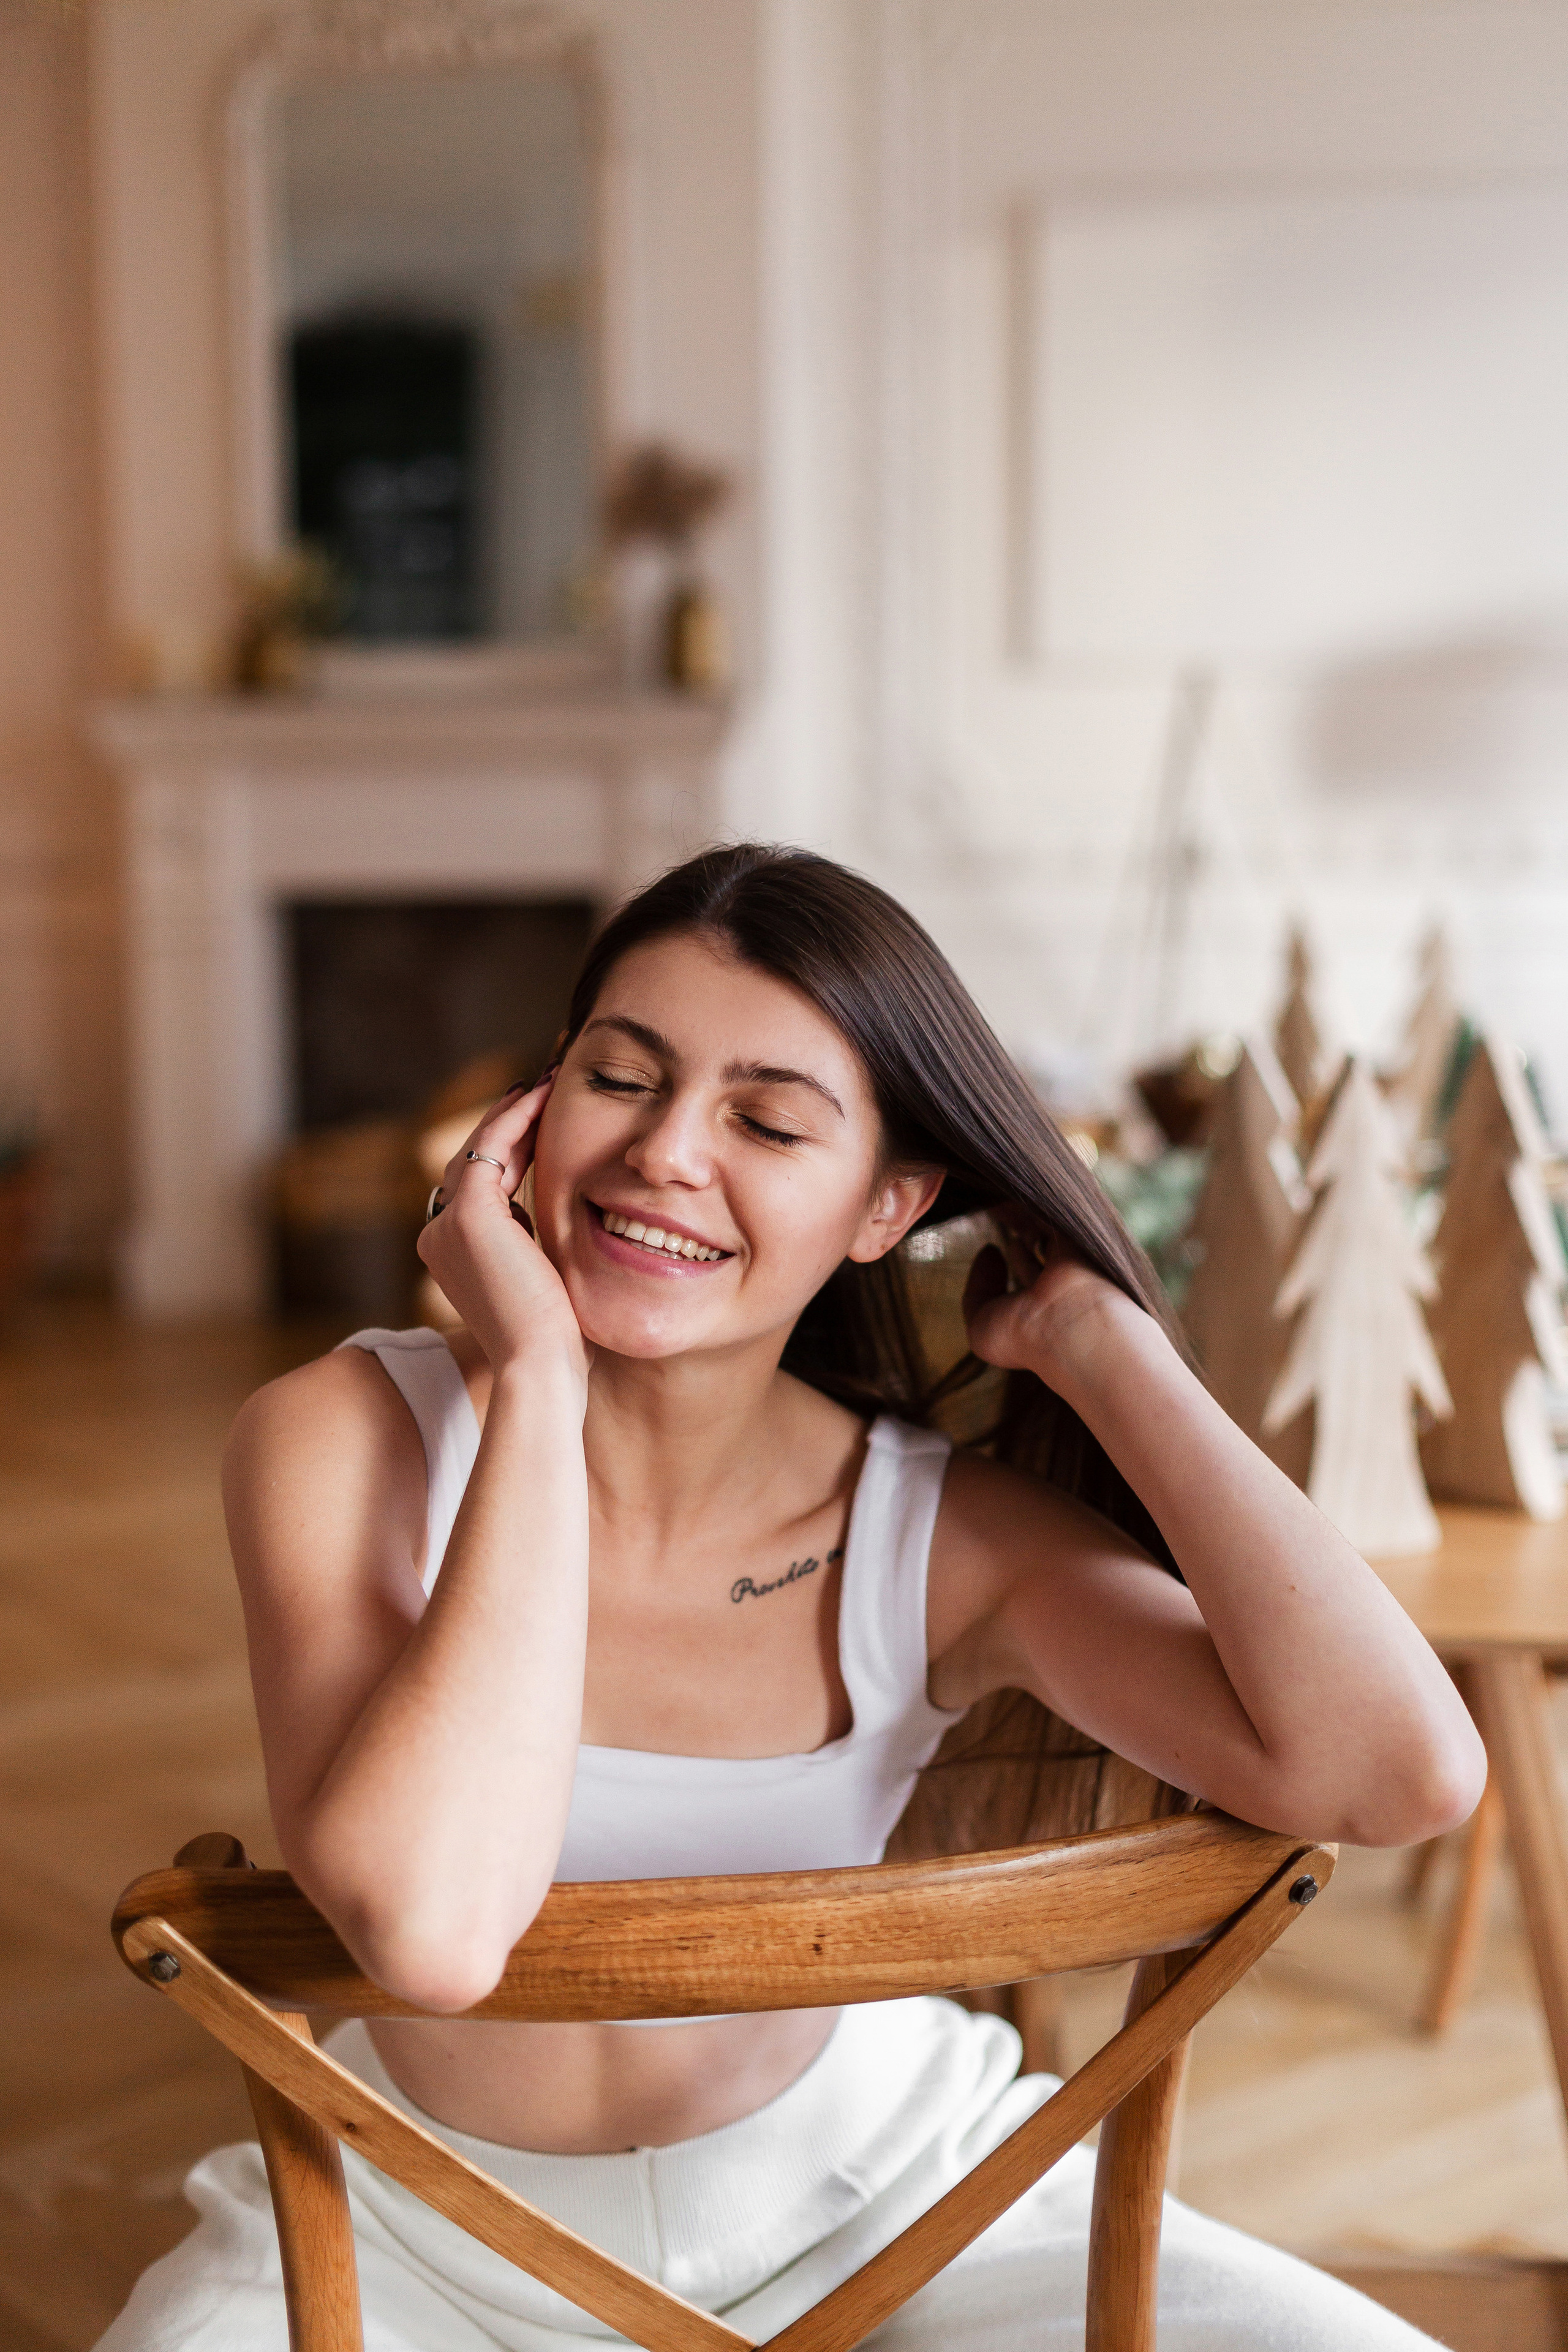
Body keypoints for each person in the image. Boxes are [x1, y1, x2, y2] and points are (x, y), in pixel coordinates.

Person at [100, 843, 1483, 2351]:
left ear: (885, 1205)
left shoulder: (934, 1537)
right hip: (409, 2229)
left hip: (887, 2202)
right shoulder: (335, 1440)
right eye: (620, 1080)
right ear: (530, 1116)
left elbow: (1396, 1772)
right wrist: (539, 1386)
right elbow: (430, 1936)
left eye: (765, 1120)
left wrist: (1102, 1344)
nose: (666, 1154)